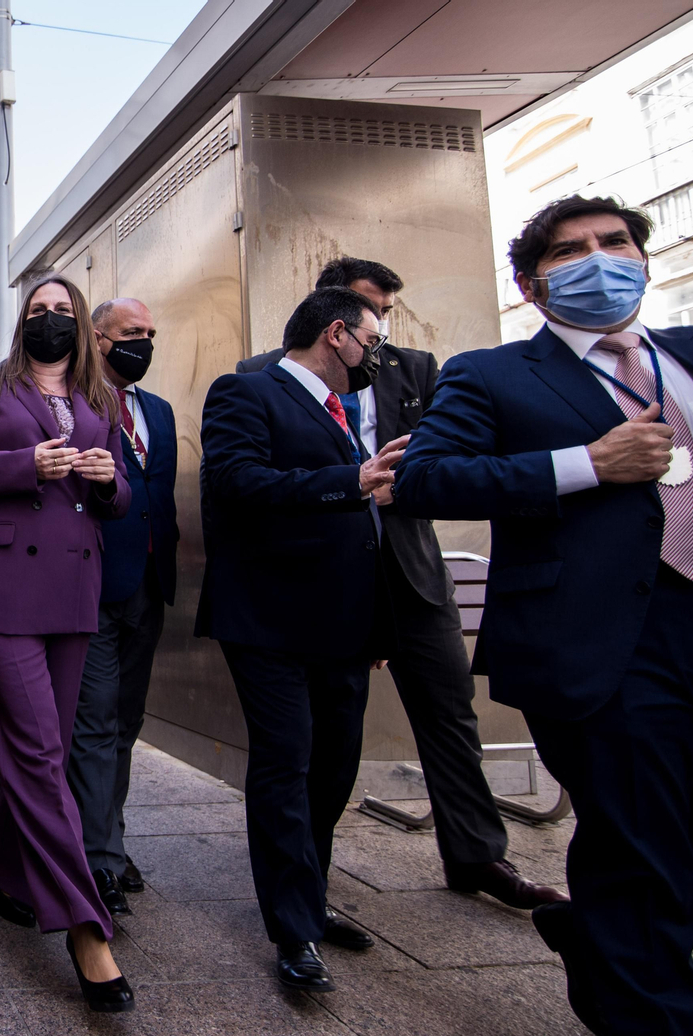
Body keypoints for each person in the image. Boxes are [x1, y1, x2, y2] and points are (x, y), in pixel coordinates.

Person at [393, 195, 693, 1036]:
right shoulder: (495, 373)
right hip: (603, 644)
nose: (600, 259)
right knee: (647, 851)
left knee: (676, 852)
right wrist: (588, 465)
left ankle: (595, 938)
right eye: (572, 251)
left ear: (644, 262)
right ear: (534, 286)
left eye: (616, 243)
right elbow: (428, 479)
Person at [238, 258, 565, 911]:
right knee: (324, 742)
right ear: (330, 314)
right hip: (325, 582)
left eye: (385, 313)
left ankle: (477, 855)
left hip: (412, 572)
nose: (378, 327)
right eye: (368, 311)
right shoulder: (261, 377)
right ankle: (308, 879)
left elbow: (454, 461)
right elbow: (254, 485)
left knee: (449, 712)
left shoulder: (416, 368)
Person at [0, 272, 135, 1014]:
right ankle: (86, 925)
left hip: (76, 590)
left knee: (43, 743)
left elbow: (118, 503)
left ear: (80, 323)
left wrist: (109, 478)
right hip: (6, 592)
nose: (51, 318)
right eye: (38, 310)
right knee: (38, 752)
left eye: (63, 310)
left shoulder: (99, 397)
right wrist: (28, 465)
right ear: (22, 321)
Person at [197, 287, 408, 993]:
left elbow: (362, 527)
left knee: (334, 767)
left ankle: (310, 898)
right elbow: (237, 482)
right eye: (371, 342)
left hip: (345, 624)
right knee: (286, 764)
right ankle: (294, 930)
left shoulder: (341, 412)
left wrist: (378, 622)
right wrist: (349, 479)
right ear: (338, 334)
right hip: (270, 619)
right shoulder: (246, 392)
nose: (375, 356)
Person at [68, 297, 179, 918]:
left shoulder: (157, 411)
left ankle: (109, 838)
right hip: (92, 586)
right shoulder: (76, 405)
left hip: (147, 588)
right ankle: (97, 859)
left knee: (127, 724)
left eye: (151, 332)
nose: (144, 341)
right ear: (99, 338)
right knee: (95, 723)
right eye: (132, 332)